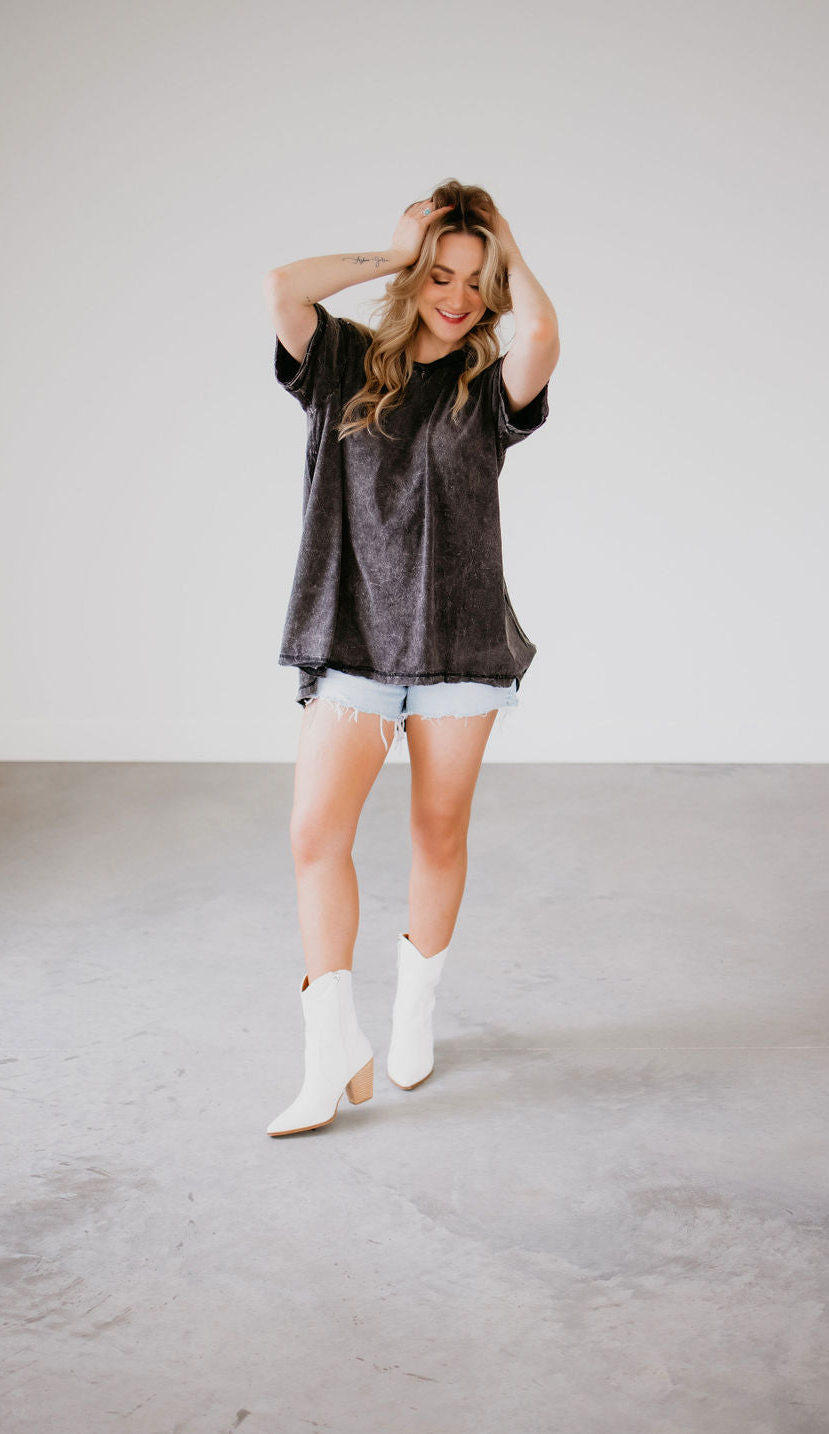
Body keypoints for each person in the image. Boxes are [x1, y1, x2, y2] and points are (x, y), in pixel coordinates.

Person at [262, 178, 559, 1136]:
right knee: (315, 834)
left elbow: (541, 334)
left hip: (458, 640)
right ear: (415, 276)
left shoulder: (490, 388)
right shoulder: (341, 360)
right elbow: (283, 285)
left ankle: (414, 1014)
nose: (458, 295)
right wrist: (396, 250)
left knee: (438, 831)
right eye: (441, 274)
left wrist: (503, 236)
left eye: (477, 279)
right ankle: (329, 1050)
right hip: (353, 633)